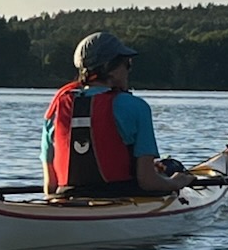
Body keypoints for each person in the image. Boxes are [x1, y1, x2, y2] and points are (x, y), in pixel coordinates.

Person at [41, 31, 196, 197]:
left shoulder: (56, 109)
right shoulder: (136, 107)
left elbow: (50, 187)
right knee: (172, 169)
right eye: (127, 65)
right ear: (111, 70)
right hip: (121, 197)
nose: (128, 71)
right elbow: (147, 181)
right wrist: (177, 182)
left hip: (65, 198)